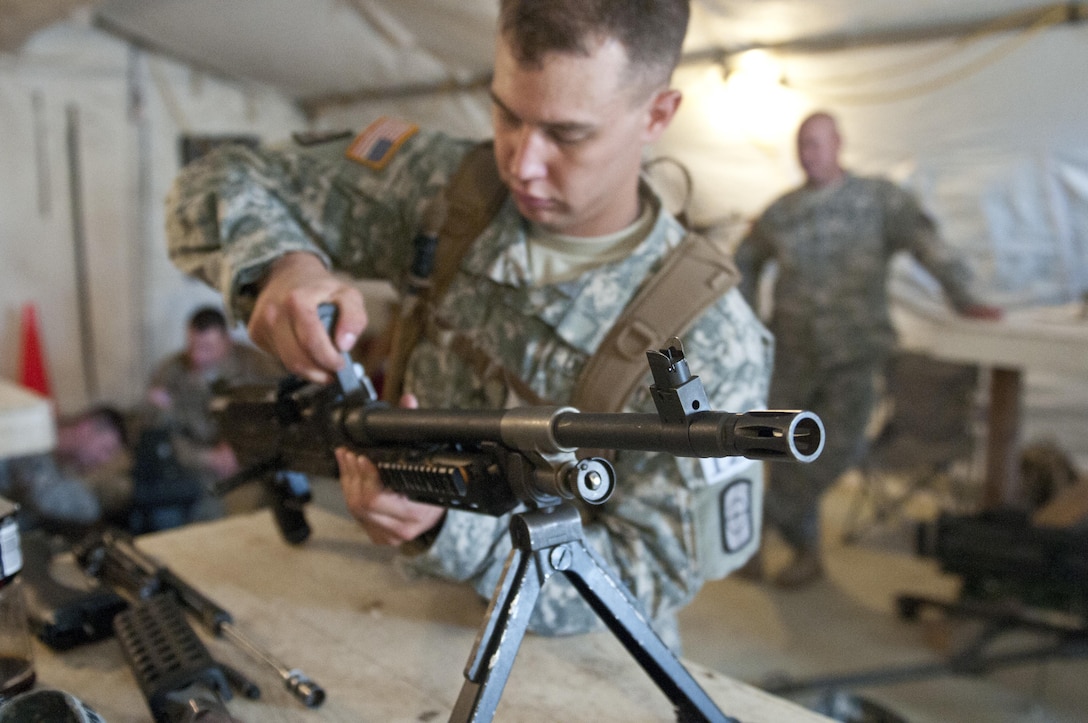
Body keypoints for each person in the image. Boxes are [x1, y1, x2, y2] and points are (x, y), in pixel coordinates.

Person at [165, 0, 773, 650]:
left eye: (567, 134)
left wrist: (448, 533)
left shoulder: (706, 336)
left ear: (657, 114)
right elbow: (218, 180)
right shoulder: (451, 190)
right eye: (507, 113)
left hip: (573, 658)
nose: (522, 163)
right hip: (393, 610)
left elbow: (644, 579)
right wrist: (282, 266)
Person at [734, 111, 1003, 589]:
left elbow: (926, 243)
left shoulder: (878, 201)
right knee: (779, 454)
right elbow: (745, 262)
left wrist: (965, 297)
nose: (809, 154)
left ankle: (759, 528)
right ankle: (803, 553)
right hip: (793, 357)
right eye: (802, 145)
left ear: (839, 144)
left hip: (854, 357)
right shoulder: (783, 212)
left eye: (817, 143)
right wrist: (748, 323)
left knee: (838, 449)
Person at [139, 305, 283, 527]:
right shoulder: (172, 371)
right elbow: (157, 434)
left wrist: (241, 448)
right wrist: (206, 458)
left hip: (250, 465)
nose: (197, 356)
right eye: (192, 346)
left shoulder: (258, 366)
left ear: (227, 342)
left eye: (207, 347)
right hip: (193, 467)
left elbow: (279, 418)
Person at [0, 405, 127, 531]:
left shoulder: (64, 465)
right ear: (86, 427)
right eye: (105, 449)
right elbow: (46, 498)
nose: (103, 460)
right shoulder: (35, 436)